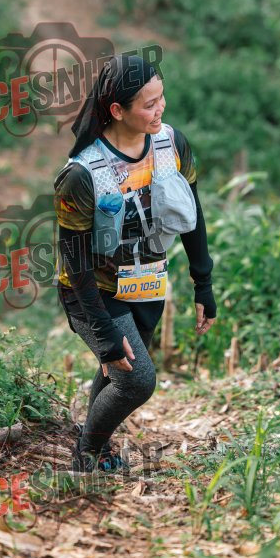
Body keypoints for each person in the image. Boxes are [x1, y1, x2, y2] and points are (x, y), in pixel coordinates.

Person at [53, 53, 217, 473]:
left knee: (119, 371)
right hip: (92, 291)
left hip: (146, 284)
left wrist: (203, 282)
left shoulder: (171, 144)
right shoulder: (82, 174)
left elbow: (193, 213)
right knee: (138, 381)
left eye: (162, 98)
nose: (160, 109)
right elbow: (74, 261)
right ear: (117, 110)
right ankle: (87, 455)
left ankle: (97, 449)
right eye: (149, 104)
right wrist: (102, 330)